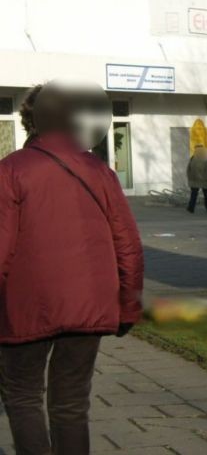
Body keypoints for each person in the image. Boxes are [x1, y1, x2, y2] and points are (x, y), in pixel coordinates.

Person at [0, 82, 144, 455]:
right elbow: (127, 247)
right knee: (71, 403)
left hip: (25, 305)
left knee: (22, 395)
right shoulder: (101, 172)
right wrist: (127, 306)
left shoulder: (10, 171)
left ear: (30, 120)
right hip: (89, 304)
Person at [187, 145, 207, 213]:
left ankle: (191, 208)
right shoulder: (206, 159)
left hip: (194, 180)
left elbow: (189, 169)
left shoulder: (193, 158)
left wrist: (190, 177)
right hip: (204, 180)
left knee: (194, 194)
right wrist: (205, 177)